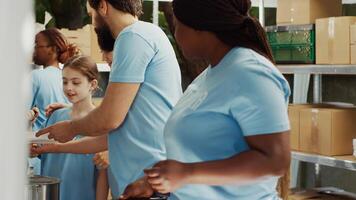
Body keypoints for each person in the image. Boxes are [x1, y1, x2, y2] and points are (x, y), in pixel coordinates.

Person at [124, 0, 291, 199]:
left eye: (177, 26)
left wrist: (187, 173)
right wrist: (159, 183)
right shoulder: (210, 74)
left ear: (199, 26)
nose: (175, 36)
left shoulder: (251, 72)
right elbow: (205, 154)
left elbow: (275, 161)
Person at [36, 0, 183, 198]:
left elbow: (108, 119)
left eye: (92, 14)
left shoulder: (132, 36)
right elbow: (111, 136)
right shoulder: (150, 34)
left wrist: (70, 128)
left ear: (103, 6)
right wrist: (53, 147)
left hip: (149, 187)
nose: (93, 23)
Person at [34, 55, 109, 200]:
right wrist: (33, 150)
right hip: (50, 193)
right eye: (65, 82)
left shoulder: (101, 123)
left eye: (76, 82)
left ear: (92, 85)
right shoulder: (55, 116)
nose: (69, 88)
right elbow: (40, 150)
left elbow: (102, 176)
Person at [29, 28, 77, 174]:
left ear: (53, 49)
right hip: (67, 155)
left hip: (36, 155)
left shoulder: (35, 76)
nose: (34, 50)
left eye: (37, 45)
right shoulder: (72, 79)